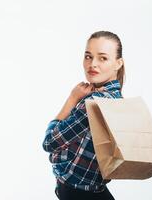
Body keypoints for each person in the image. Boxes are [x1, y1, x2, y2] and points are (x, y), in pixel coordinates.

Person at [42, 30, 126, 200]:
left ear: (118, 63)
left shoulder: (95, 103)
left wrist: (72, 98)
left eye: (103, 58)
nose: (92, 64)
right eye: (88, 56)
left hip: (78, 193)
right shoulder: (117, 99)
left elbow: (49, 143)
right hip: (92, 191)